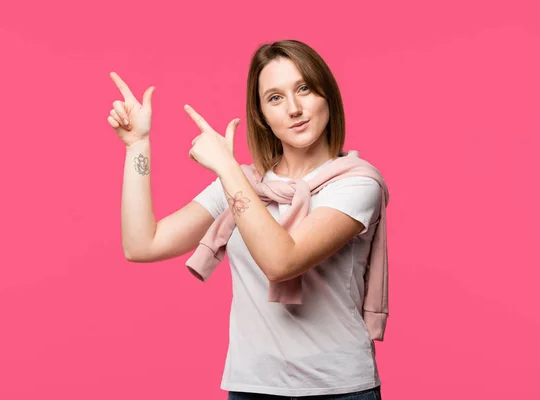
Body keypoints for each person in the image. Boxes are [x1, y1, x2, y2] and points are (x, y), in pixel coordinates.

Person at [107, 39, 388, 400]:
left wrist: (227, 168)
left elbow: (281, 261)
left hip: (339, 389)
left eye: (304, 88)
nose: (294, 108)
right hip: (251, 388)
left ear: (327, 96)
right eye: (275, 98)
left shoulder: (357, 182)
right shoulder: (245, 183)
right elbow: (142, 244)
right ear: (262, 116)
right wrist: (137, 146)